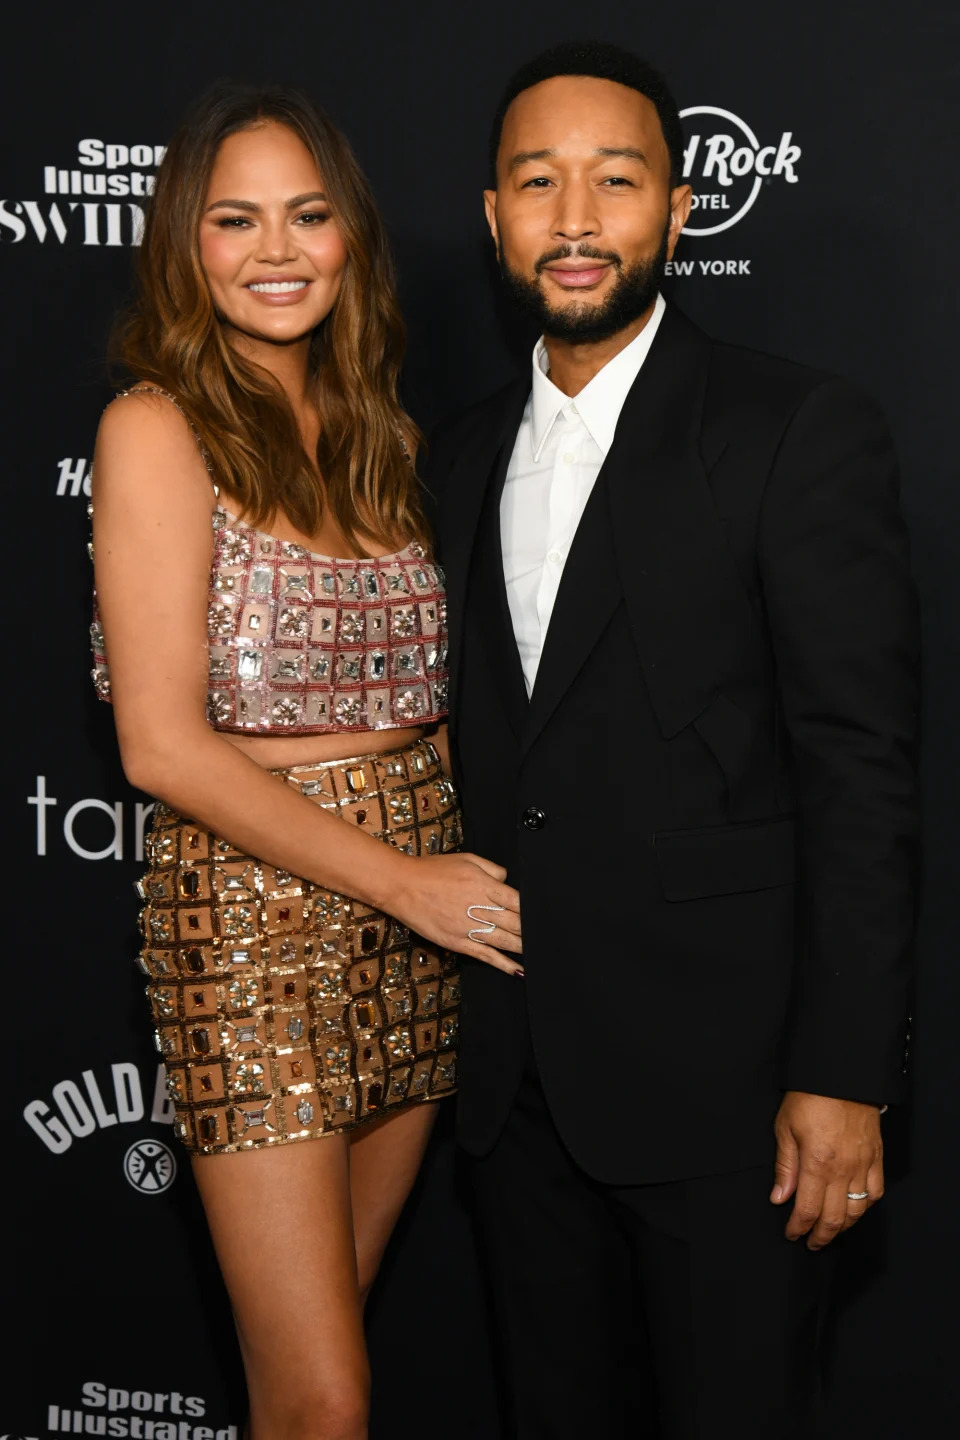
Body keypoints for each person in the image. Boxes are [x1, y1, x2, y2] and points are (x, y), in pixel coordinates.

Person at [423, 40, 919, 1438]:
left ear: (681, 210)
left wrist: (842, 1073)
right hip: (514, 1089)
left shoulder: (792, 429)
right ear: (493, 215)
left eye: (616, 180)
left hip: (734, 1099)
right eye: (539, 183)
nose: (575, 218)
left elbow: (860, 766)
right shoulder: (451, 455)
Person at [90, 84, 521, 1440]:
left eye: (307, 215)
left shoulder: (389, 437)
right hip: (251, 917)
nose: (275, 252)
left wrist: (438, 885)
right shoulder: (155, 429)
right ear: (186, 244)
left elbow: (441, 702)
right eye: (235, 220)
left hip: (420, 916)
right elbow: (161, 747)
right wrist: (403, 885)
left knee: (320, 1361)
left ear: (351, 238)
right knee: (327, 1400)